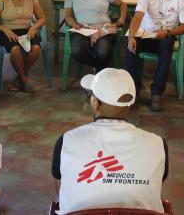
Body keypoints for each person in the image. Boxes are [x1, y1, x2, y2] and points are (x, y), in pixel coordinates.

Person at [51, 68, 168, 214]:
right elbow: (155, 185)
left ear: (95, 103)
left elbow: (61, 192)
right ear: (129, 106)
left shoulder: (66, 142)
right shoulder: (158, 145)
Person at [125, 0, 184, 112]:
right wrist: (131, 37)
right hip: (146, 33)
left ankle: (156, 94)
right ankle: (134, 90)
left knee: (167, 46)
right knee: (129, 46)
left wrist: (168, 32)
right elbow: (138, 16)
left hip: (165, 35)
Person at [64, 0, 128, 72]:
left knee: (102, 51)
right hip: (82, 28)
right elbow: (68, 15)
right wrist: (74, 24)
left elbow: (122, 4)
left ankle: (98, 77)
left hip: (104, 28)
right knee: (78, 52)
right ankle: (101, 68)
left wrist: (122, 17)